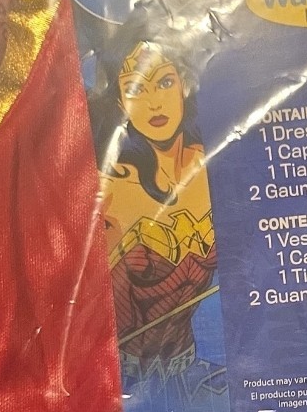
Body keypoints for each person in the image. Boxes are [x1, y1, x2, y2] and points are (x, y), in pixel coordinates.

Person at [90, 35, 219, 393]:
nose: (154, 102)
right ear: (120, 102)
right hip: (114, 379)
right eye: (135, 89)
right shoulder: (109, 186)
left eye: (164, 82)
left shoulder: (215, 162)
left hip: (190, 368)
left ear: (184, 85)